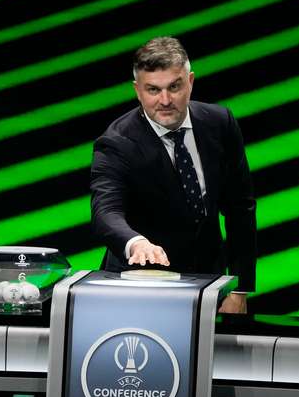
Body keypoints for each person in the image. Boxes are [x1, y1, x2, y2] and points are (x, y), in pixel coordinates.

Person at [90, 37, 256, 313]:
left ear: (190, 81)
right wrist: (136, 242)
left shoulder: (220, 123)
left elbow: (241, 208)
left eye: (174, 87)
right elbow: (105, 212)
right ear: (137, 90)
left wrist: (240, 289)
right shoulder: (117, 142)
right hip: (139, 288)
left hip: (208, 284)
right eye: (153, 90)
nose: (164, 100)